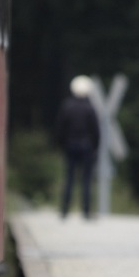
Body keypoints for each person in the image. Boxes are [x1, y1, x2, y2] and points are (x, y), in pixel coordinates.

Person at [56, 75, 100, 218]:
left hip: (70, 145)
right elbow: (96, 131)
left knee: (69, 177)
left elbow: (60, 128)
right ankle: (86, 211)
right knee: (86, 179)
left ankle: (64, 210)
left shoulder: (67, 106)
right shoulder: (90, 108)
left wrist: (62, 144)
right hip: (87, 146)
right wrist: (95, 147)